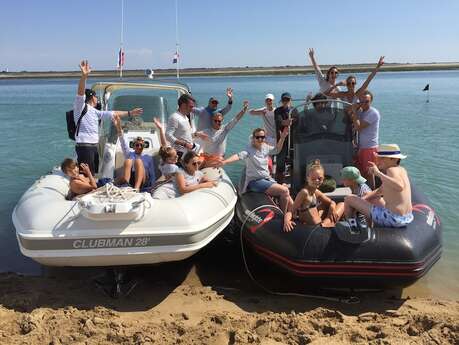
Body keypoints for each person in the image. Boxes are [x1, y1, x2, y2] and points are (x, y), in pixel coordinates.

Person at [73, 60, 143, 174]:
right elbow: (80, 93)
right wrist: (84, 76)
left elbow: (113, 113)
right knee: (86, 175)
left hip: (93, 146)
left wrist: (130, 113)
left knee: (93, 174)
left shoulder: (95, 112)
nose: (97, 99)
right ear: (92, 97)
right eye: (96, 96)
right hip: (85, 146)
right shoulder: (80, 106)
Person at [220, 127, 293, 213]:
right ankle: (284, 216)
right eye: (258, 137)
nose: (260, 139)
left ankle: (294, 214)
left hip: (267, 179)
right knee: (284, 191)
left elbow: (276, 150)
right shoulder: (249, 150)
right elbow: (239, 156)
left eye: (262, 137)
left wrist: (283, 137)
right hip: (255, 182)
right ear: (253, 138)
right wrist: (225, 162)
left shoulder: (265, 147)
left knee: (287, 193)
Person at [343, 144, 413, 228]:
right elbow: (381, 190)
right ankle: (369, 228)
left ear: (394, 159)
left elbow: (399, 186)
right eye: (378, 157)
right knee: (370, 197)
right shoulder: (402, 170)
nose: (378, 160)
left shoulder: (391, 170)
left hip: (392, 219)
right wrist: (362, 200)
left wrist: (378, 174)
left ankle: (353, 228)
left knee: (348, 199)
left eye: (382, 158)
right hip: (406, 218)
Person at [284, 159, 344, 232]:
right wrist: (286, 221)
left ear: (323, 179)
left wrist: (332, 207)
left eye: (319, 178)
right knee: (342, 205)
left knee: (334, 204)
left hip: (320, 224)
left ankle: (332, 223)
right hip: (316, 229)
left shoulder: (316, 192)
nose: (316, 181)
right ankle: (330, 224)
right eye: (313, 179)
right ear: (307, 178)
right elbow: (291, 211)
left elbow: (331, 202)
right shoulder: (304, 193)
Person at [113, 115, 166, 191]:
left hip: (144, 180)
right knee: (128, 160)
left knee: (138, 161)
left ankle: (136, 189)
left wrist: (161, 129)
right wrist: (118, 126)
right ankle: (125, 185)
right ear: (133, 147)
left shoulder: (148, 156)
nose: (139, 146)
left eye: (141, 145)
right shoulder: (130, 154)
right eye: (137, 145)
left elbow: (164, 149)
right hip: (132, 178)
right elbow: (122, 141)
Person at [200, 100, 249, 167]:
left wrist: (244, 109)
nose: (217, 122)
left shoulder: (225, 129)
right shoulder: (206, 131)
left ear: (222, 121)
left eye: (219, 121)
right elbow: (192, 136)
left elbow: (236, 119)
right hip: (207, 158)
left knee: (219, 162)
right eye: (216, 121)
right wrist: (196, 134)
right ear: (212, 120)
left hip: (219, 160)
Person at [151, 151, 217, 200]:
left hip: (175, 198)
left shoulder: (199, 174)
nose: (197, 165)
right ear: (186, 164)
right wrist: (203, 185)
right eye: (194, 163)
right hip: (165, 192)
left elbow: (211, 182)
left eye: (198, 163)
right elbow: (183, 189)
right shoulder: (180, 173)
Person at [349, 90, 380, 188]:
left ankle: (372, 196)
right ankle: (365, 193)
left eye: (366, 101)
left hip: (370, 148)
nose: (364, 104)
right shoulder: (362, 112)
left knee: (369, 174)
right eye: (361, 101)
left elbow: (358, 127)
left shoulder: (373, 113)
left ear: (371, 101)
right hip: (362, 147)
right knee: (362, 173)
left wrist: (354, 111)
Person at [166, 94, 208, 160]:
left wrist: (197, 134)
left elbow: (185, 135)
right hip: (179, 154)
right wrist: (184, 144)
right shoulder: (174, 117)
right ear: (183, 105)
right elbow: (168, 135)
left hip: (187, 154)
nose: (192, 109)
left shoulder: (185, 117)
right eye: (190, 107)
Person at [274, 92, 298, 184]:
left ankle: (294, 181)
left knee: (294, 160)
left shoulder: (294, 110)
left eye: (287, 100)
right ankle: (279, 182)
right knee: (280, 160)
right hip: (281, 140)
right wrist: (287, 122)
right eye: (284, 100)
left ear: (290, 100)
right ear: (281, 101)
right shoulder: (277, 111)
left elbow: (297, 120)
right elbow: (280, 122)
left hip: (292, 140)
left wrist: (289, 122)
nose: (285, 102)